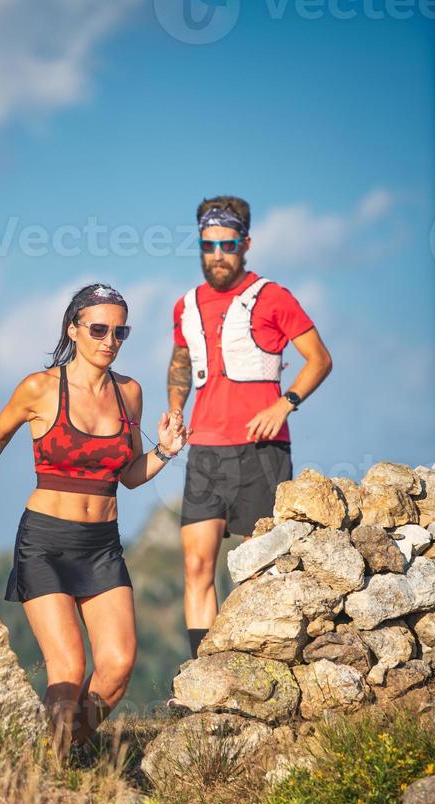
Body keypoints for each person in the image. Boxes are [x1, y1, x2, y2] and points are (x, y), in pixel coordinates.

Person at [0, 283, 188, 765]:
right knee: (68, 669)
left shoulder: (130, 393)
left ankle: (52, 754)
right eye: (99, 329)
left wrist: (165, 451)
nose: (110, 340)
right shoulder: (40, 387)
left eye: (120, 331)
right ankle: (56, 768)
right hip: (45, 542)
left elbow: (127, 477)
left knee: (118, 668)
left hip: (102, 546)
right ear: (74, 329)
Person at [167, 195, 333, 661]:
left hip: (262, 450)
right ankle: (201, 674)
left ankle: (259, 668)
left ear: (245, 243)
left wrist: (286, 404)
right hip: (205, 451)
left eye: (227, 243)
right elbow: (180, 361)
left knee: (259, 568)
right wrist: (176, 408)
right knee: (196, 564)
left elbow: (319, 359)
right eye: (208, 244)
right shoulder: (185, 306)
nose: (217, 254)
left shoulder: (274, 297)